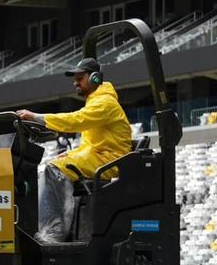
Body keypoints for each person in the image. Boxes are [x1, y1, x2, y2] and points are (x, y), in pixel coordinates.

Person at [17, 57, 131, 242]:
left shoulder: (105, 104)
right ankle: (46, 226)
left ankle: (54, 232)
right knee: (50, 166)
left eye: (80, 78)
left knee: (54, 169)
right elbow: (90, 145)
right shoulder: (96, 102)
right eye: (74, 78)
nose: (75, 82)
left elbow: (75, 120)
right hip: (101, 157)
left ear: (94, 78)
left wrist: (38, 117)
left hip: (111, 161)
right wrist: (71, 154)